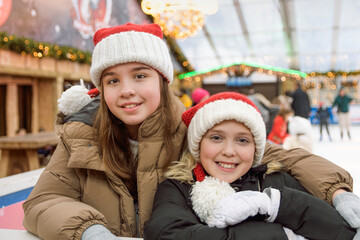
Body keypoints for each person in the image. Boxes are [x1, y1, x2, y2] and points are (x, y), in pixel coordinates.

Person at [22, 23, 360, 239]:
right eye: (113, 80)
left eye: (140, 75)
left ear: (162, 80)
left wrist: (336, 190)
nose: (126, 90)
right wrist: (89, 231)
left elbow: (282, 156)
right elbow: (44, 201)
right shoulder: (82, 135)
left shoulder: (196, 129)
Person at [144, 92, 356, 239]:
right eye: (216, 138)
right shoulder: (178, 187)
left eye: (242, 140)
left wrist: (277, 204)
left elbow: (340, 232)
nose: (229, 151)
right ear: (198, 145)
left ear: (257, 148)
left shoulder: (277, 180)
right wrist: (280, 235)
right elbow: (167, 234)